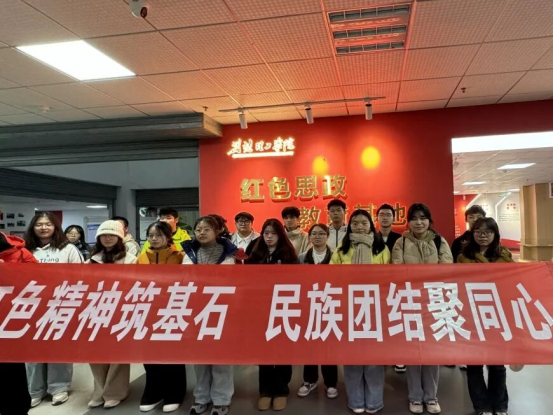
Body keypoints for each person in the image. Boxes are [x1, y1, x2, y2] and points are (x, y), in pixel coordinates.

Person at [392, 203, 453, 415]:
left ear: (429, 221)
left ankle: (431, 396)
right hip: (410, 302)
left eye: (423, 218)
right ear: (408, 222)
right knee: (413, 353)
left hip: (433, 302)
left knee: (431, 353)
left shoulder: (439, 240)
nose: (419, 222)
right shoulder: (400, 242)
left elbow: (447, 268)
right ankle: (415, 397)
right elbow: (397, 270)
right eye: (414, 218)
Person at [330, 210, 390, 414]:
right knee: (352, 357)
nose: (360, 226)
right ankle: (355, 400)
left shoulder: (381, 248)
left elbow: (389, 276)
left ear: (371, 225)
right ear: (350, 226)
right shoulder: (341, 249)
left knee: (374, 358)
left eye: (364, 223)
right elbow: (331, 277)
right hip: (349, 307)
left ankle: (374, 401)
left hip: (375, 307)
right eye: (355, 223)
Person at [183, 216, 240, 415]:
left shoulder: (230, 253)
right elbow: (184, 280)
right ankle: (201, 397)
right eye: (198, 229)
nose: (201, 233)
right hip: (195, 311)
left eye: (207, 229)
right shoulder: (189, 252)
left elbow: (232, 282)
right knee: (199, 358)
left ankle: (222, 399)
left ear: (217, 231)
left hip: (221, 310)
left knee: (221, 358)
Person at [24, 212, 81, 408]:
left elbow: (80, 276)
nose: (43, 228)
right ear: (33, 227)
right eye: (39, 224)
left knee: (59, 347)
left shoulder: (68, 249)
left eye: (48, 224)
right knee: (32, 350)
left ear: (55, 227)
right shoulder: (25, 249)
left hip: (61, 305)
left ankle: (59, 387)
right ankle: (35, 390)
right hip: (31, 305)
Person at [458, 217, 513, 415]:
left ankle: (500, 404)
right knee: (474, 364)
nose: (483, 236)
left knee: (497, 364)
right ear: (472, 233)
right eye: (478, 232)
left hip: (497, 314)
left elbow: (514, 283)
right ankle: (481, 405)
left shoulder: (504, 256)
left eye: (488, 232)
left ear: (495, 234)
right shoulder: (463, 257)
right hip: (471, 314)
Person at [245, 219, 299, 412]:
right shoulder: (255, 253)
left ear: (280, 235)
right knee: (264, 352)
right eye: (266, 233)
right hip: (261, 308)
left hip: (283, 307)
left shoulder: (288, 254)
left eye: (273, 233)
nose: (269, 237)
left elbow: (297, 282)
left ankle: (281, 390)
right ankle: (265, 391)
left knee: (283, 351)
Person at [137, 222, 187, 414]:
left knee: (172, 353)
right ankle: (153, 391)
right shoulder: (141, 257)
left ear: (168, 236)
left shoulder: (179, 257)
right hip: (148, 311)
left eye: (158, 235)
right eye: (150, 235)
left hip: (172, 310)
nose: (154, 239)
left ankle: (175, 392)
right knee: (149, 354)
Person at [86, 220, 136, 409]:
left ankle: (115, 392)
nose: (108, 238)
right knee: (95, 352)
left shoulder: (130, 259)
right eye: (104, 235)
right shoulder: (91, 259)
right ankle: (99, 390)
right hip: (95, 310)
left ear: (120, 237)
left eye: (112, 235)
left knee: (118, 353)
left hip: (120, 311)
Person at [297, 224, 339, 400]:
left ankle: (331, 382)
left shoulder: (336, 256)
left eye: (321, 233)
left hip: (330, 304)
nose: (317, 236)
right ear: (309, 237)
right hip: (309, 305)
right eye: (314, 234)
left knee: (329, 345)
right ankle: (309, 380)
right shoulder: (302, 257)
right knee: (310, 344)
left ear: (328, 236)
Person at [0, 232, 34, 415]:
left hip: (9, 322)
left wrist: (8, 272)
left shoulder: (19, 252)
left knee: (11, 373)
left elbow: (41, 280)